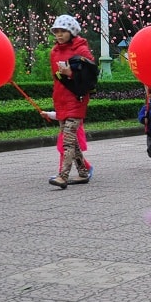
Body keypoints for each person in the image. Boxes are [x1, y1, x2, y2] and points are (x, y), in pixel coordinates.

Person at [48, 14, 94, 189]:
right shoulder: (54, 52)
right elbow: (56, 78)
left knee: (67, 140)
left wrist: (71, 73)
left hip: (77, 100)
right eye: (56, 31)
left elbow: (91, 75)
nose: (59, 35)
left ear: (72, 32)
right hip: (61, 100)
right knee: (72, 141)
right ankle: (83, 172)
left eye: (63, 31)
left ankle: (63, 176)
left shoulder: (81, 49)